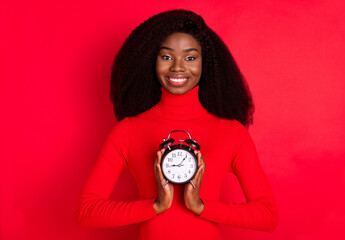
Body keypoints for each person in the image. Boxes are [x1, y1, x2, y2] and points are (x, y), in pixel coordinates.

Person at [76, 9, 278, 240]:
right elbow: (86, 213)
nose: (178, 67)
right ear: (151, 61)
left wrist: (201, 207)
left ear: (206, 64)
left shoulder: (231, 132)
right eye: (167, 57)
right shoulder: (127, 131)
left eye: (190, 57)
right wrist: (155, 206)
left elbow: (268, 216)